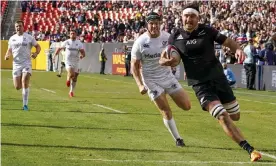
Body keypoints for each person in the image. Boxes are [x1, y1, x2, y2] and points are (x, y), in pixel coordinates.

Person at [160, 3, 261, 161]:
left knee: (235, 116)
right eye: (186, 16)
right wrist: (166, 61)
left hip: (218, 79)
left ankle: (228, 121)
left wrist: (238, 49)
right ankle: (249, 149)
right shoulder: (175, 35)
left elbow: (228, 42)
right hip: (200, 85)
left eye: (193, 16)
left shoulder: (207, 30)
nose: (189, 19)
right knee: (221, 115)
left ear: (198, 18)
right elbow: (169, 55)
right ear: (182, 17)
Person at [131, 12, 191, 147]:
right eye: (151, 24)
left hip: (167, 77)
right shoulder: (140, 42)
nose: (154, 26)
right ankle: (178, 139)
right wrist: (140, 84)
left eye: (157, 23)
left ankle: (167, 95)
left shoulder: (168, 37)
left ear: (160, 24)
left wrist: (178, 63)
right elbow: (134, 66)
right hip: (151, 80)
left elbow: (179, 54)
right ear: (147, 25)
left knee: (186, 106)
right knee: (165, 110)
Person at [4, 20, 41, 111]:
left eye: (20, 26)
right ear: (15, 27)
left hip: (26, 63)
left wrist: (36, 53)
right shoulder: (12, 38)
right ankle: (26, 85)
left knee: (24, 81)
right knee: (17, 87)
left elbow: (38, 46)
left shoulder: (29, 37)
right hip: (16, 64)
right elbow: (9, 50)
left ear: (23, 27)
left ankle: (25, 105)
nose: (18, 27)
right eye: (17, 26)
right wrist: (7, 55)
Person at [54, 30, 85, 97]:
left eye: (73, 33)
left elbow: (83, 52)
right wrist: (54, 56)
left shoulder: (79, 43)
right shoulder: (66, 42)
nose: (72, 35)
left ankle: (71, 91)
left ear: (76, 34)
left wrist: (82, 56)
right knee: (71, 73)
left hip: (76, 62)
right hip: (68, 61)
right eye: (71, 33)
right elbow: (59, 49)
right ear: (69, 35)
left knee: (75, 77)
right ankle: (68, 80)